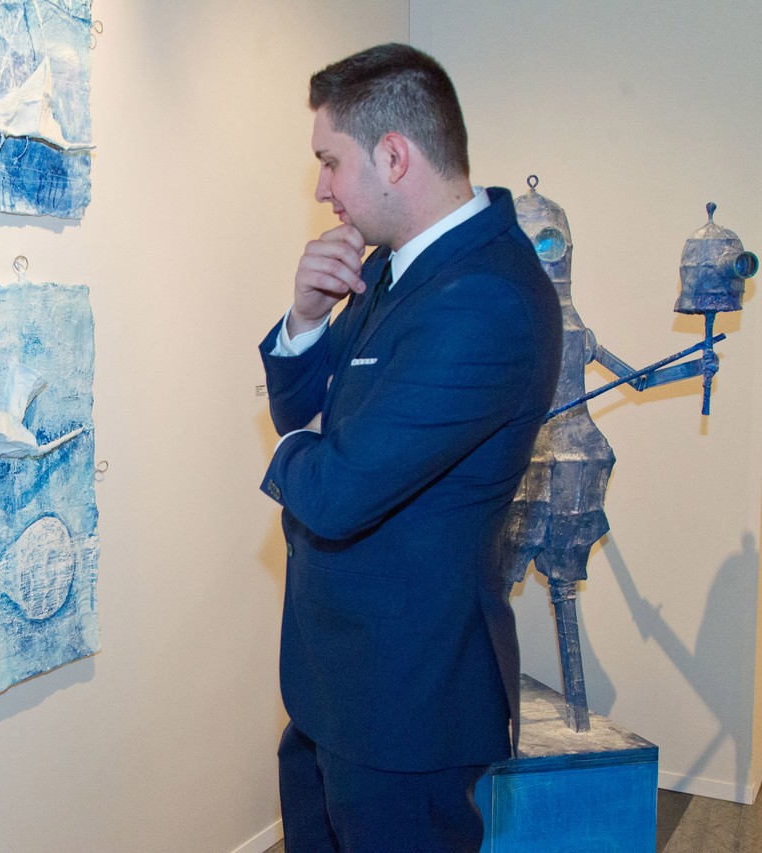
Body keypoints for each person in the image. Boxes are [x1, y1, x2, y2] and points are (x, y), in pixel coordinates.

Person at [259, 43, 562, 852]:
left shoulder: (485, 298)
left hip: (407, 708)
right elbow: (304, 411)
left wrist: (296, 450)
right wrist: (306, 318)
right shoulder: (396, 268)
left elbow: (336, 492)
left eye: (329, 162)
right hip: (336, 684)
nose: (321, 188)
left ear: (394, 156)